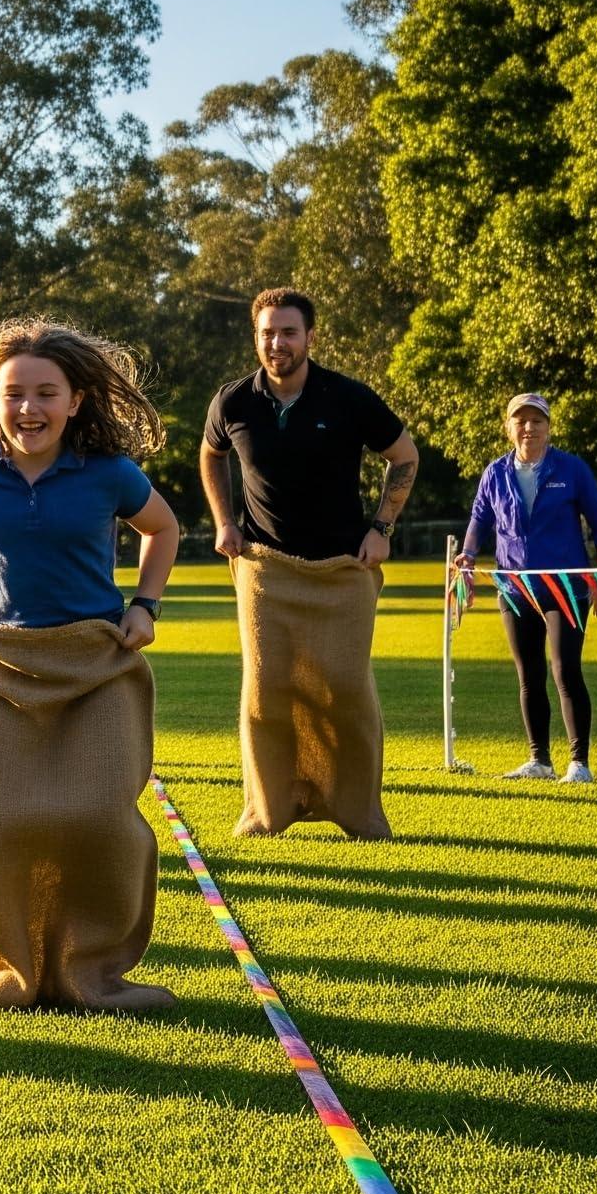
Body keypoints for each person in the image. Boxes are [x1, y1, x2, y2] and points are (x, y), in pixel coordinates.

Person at [0, 319, 179, 1010]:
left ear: (75, 401)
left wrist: (144, 605)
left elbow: (163, 529)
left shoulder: (108, 473)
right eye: (14, 394)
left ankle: (89, 970)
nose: (29, 409)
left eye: (46, 393)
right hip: (1, 662)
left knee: (98, 818)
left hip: (96, 661)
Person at [200, 288, 417, 839]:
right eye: (267, 333)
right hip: (265, 567)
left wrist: (381, 527)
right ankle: (268, 811)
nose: (277, 343)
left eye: (288, 332)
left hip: (343, 567)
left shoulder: (347, 397)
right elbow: (211, 454)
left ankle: (360, 814)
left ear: (310, 337)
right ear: (256, 337)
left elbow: (404, 455)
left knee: (345, 691)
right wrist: (225, 521)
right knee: (266, 690)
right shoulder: (233, 402)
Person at [457, 394, 597, 784]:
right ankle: (540, 761)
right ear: (508, 427)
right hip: (514, 588)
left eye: (537, 421)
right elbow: (480, 519)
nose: (529, 428)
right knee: (529, 675)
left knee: (566, 671)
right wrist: (467, 556)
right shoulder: (494, 473)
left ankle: (579, 763)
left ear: (549, 427)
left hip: (566, 587)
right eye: (521, 421)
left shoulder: (572, 469)